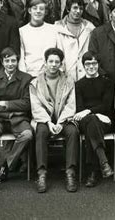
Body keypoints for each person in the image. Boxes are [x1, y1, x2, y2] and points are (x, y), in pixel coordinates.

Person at [0, 47, 33, 195]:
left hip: (19, 119)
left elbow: (27, 103)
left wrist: (6, 104)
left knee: (28, 134)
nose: (10, 64)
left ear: (17, 61)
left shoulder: (26, 78)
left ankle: (6, 164)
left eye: (13, 60)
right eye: (7, 61)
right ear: (2, 62)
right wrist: (10, 114)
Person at [30, 48, 79, 193]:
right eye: (50, 61)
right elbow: (36, 106)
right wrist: (48, 122)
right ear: (45, 62)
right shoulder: (35, 82)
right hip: (45, 121)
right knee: (40, 132)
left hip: (63, 119)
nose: (53, 64)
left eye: (57, 62)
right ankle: (42, 174)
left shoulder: (68, 81)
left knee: (73, 132)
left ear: (61, 64)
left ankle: (70, 172)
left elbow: (71, 105)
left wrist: (61, 122)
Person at [74, 51, 115, 187]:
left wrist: (90, 111)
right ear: (83, 66)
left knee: (92, 124)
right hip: (87, 120)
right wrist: (94, 114)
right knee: (91, 122)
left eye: (94, 63)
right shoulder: (79, 84)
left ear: (98, 64)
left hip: (105, 121)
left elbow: (106, 105)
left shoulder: (107, 82)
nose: (91, 66)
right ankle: (103, 162)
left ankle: (93, 171)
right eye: (88, 64)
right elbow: (79, 107)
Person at [55, 0, 95, 81]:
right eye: (75, 8)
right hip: (64, 75)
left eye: (81, 8)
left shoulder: (89, 27)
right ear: (68, 9)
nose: (78, 11)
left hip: (86, 75)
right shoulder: (57, 28)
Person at [19, 0, 58, 77]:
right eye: (35, 8)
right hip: (29, 75)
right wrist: (24, 77)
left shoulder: (53, 29)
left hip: (50, 75)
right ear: (29, 10)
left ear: (45, 12)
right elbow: (21, 58)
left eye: (41, 9)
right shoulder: (22, 31)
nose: (38, 11)